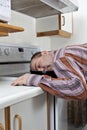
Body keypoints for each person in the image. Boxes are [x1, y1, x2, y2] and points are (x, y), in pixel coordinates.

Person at [12, 43, 87, 100]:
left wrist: (33, 79)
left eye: (38, 65)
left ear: (44, 53)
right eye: (39, 71)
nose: (42, 70)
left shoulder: (59, 59)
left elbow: (79, 90)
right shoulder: (65, 52)